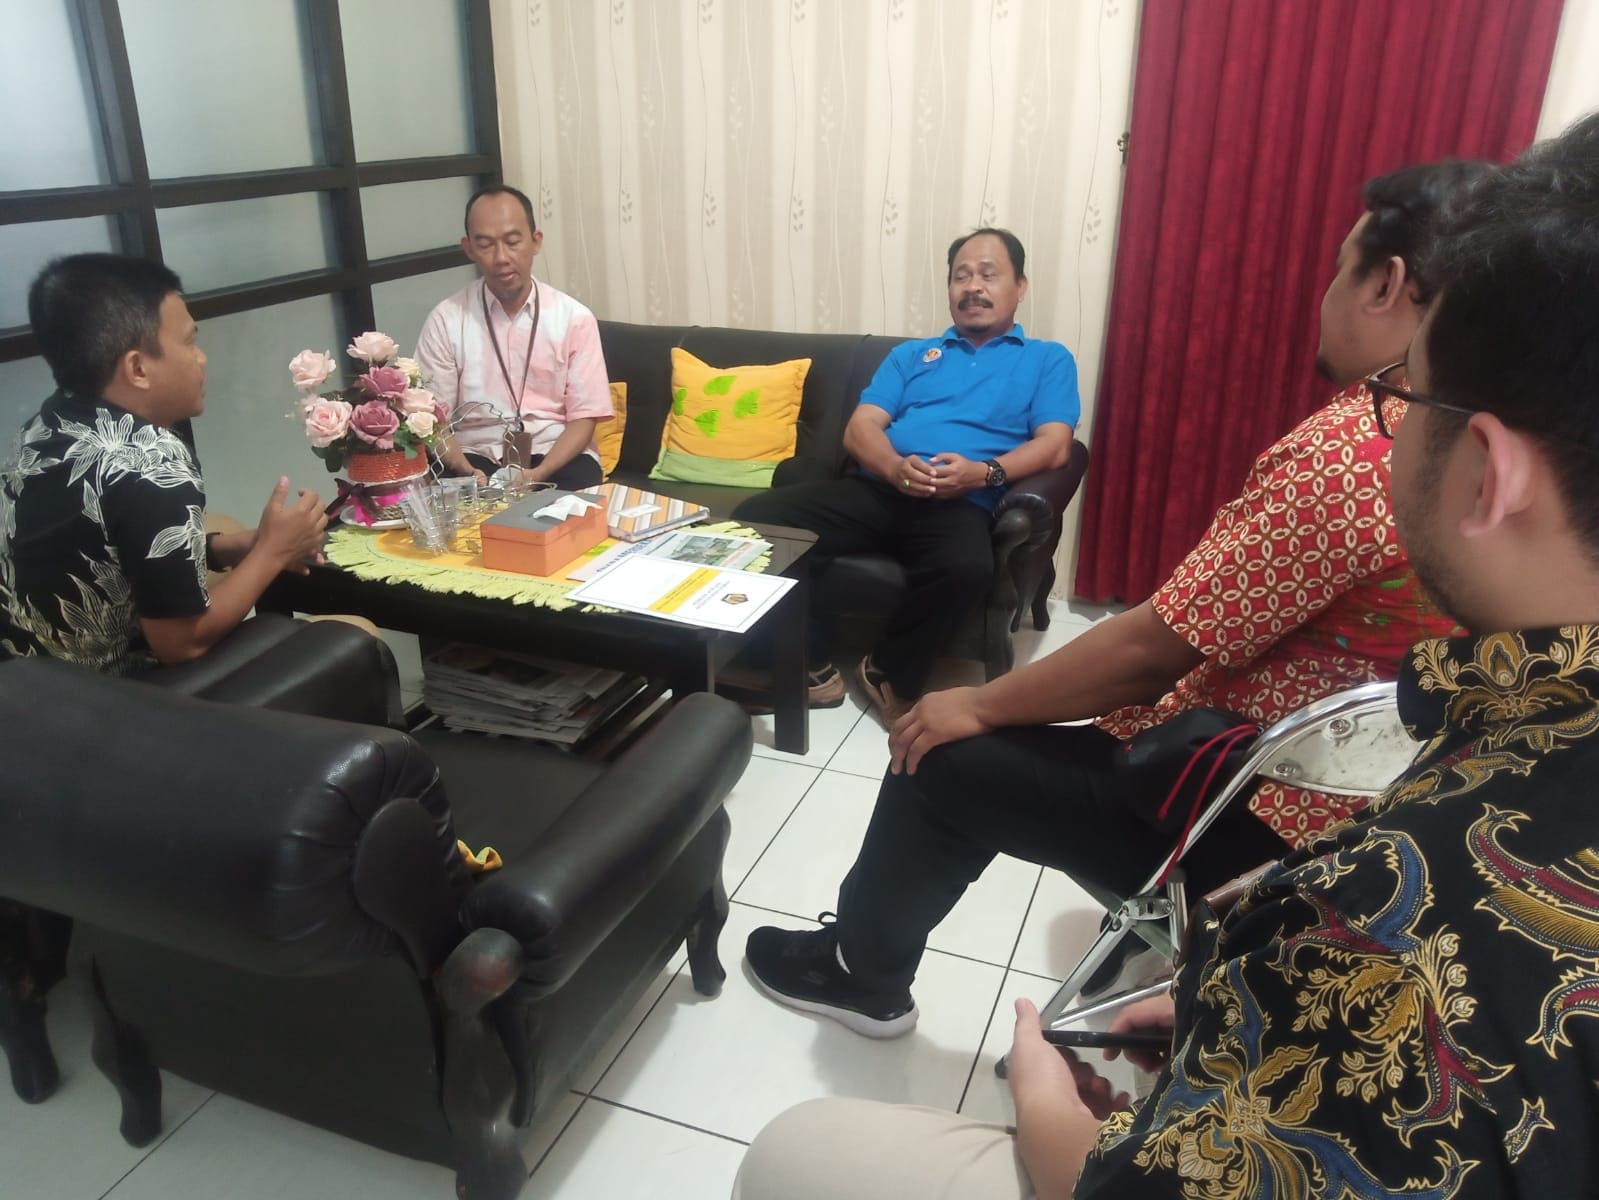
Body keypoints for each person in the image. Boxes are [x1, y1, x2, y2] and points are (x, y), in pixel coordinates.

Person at [733, 112, 1599, 1200]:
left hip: (1247, 794)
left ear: (1389, 288)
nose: (1394, 428)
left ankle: (861, 971)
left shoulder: (1345, 462)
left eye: (1408, 398)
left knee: (939, 752)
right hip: (1311, 762)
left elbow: (1154, 643)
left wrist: (980, 703)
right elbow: (869, 427)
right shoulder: (1523, 729)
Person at [732, 229, 1078, 720]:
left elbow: (1056, 444)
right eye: (961, 276)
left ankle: (886, 669)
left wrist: (982, 474)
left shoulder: (1046, 358)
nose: (972, 287)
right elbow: (861, 429)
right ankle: (808, 665)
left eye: (988, 275)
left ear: (1020, 286)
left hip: (960, 502)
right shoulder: (912, 355)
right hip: (880, 489)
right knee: (753, 520)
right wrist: (894, 468)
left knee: (966, 569)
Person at [0, 254, 328, 674]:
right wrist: (273, 551)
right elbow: (181, 643)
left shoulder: (44, 425)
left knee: (222, 526)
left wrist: (228, 548)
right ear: (138, 368)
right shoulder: (152, 462)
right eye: (190, 343)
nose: (201, 358)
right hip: (105, 696)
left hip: (24, 679)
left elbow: (103, 542)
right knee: (352, 633)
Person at [415, 184, 613, 491]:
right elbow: (433, 420)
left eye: (512, 242)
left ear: (536, 241)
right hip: (473, 456)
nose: (501, 257)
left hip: (555, 454)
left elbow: (584, 418)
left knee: (578, 495)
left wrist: (539, 473)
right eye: (485, 244)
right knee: (453, 499)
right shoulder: (446, 319)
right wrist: (467, 471)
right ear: (469, 248)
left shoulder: (574, 319)